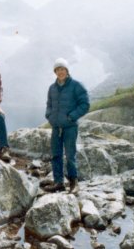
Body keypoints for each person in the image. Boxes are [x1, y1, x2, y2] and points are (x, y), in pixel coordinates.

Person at [44, 58, 90, 193]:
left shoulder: (76, 85)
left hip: (70, 127)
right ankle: (58, 182)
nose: (60, 72)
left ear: (67, 70)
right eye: (57, 69)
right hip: (56, 127)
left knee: (70, 156)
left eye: (62, 69)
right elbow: (49, 105)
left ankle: (73, 183)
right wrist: (49, 116)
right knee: (56, 155)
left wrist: (71, 117)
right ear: (55, 72)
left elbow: (85, 105)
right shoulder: (52, 88)